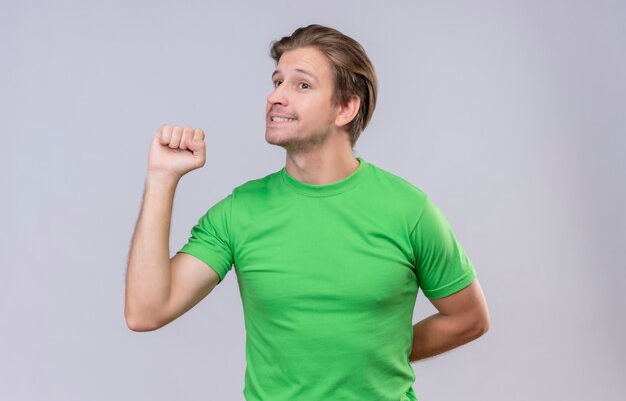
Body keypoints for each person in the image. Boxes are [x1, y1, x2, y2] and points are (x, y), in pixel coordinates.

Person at [125, 24, 490, 401]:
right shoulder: (240, 212)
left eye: (301, 85)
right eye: (277, 81)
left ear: (345, 108)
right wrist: (161, 178)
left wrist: (382, 353)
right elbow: (146, 312)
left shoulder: (409, 210)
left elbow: (469, 318)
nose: (275, 97)